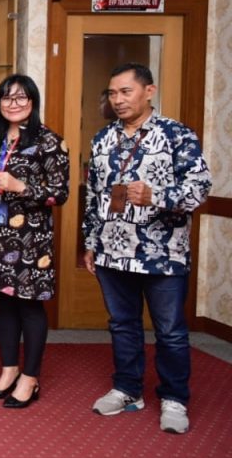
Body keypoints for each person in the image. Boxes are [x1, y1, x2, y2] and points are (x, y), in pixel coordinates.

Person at [85, 63, 210, 434]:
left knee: (170, 330)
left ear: (149, 91)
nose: (118, 100)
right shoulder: (103, 139)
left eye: (126, 91)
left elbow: (199, 189)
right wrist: (90, 242)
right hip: (112, 250)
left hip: (163, 254)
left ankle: (174, 398)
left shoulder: (176, 135)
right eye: (112, 93)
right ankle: (128, 389)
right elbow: (94, 196)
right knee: (122, 325)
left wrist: (157, 195)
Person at [0, 74, 69, 409]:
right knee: (4, 304)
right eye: (7, 97)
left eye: (21, 97)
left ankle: (30, 377)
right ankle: (9, 370)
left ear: (33, 102)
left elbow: (59, 194)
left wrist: (21, 187)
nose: (14, 103)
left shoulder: (49, 142)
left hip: (29, 240)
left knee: (29, 305)